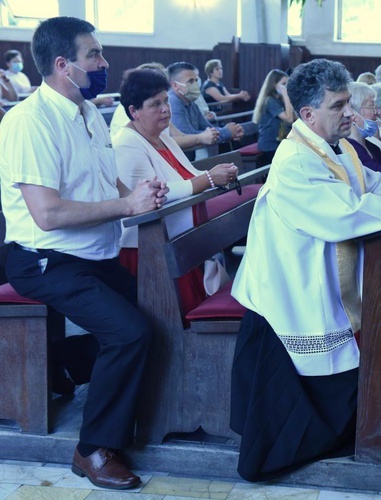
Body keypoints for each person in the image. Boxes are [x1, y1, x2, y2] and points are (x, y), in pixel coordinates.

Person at [229, 58, 381, 482]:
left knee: (341, 388)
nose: (351, 114)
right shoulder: (296, 162)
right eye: (339, 106)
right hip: (289, 292)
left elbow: (375, 188)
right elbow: (347, 214)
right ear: (308, 114)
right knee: (298, 409)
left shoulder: (336, 150)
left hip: (315, 283)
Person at [0, 16, 169, 490]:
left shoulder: (89, 111)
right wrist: (125, 204)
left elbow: (102, 181)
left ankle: (65, 361)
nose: (103, 62)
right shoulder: (29, 122)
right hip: (45, 259)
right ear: (62, 65)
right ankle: (92, 449)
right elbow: (47, 214)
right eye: (93, 54)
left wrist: (139, 195)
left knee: (159, 312)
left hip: (92, 254)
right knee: (130, 332)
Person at [113, 69, 238, 312]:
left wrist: (217, 174)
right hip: (149, 252)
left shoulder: (162, 136)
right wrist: (210, 179)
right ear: (133, 111)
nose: (165, 109)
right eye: (155, 104)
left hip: (178, 240)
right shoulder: (126, 143)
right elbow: (152, 196)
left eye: (166, 101)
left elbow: (189, 175)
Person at [109, 62, 219, 149]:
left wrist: (205, 135)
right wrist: (200, 138)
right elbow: (157, 142)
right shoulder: (133, 109)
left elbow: (177, 135)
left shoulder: (160, 106)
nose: (166, 108)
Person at [167, 61, 244, 160]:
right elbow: (187, 135)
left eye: (195, 80)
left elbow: (207, 127)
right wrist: (226, 132)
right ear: (175, 85)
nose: (195, 84)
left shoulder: (191, 103)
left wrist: (231, 131)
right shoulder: (172, 102)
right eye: (190, 81)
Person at [252, 69, 294, 168]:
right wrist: (286, 96)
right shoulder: (270, 100)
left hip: (278, 142)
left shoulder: (278, 99)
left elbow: (294, 117)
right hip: (269, 144)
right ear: (274, 84)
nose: (286, 87)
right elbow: (289, 119)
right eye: (283, 84)